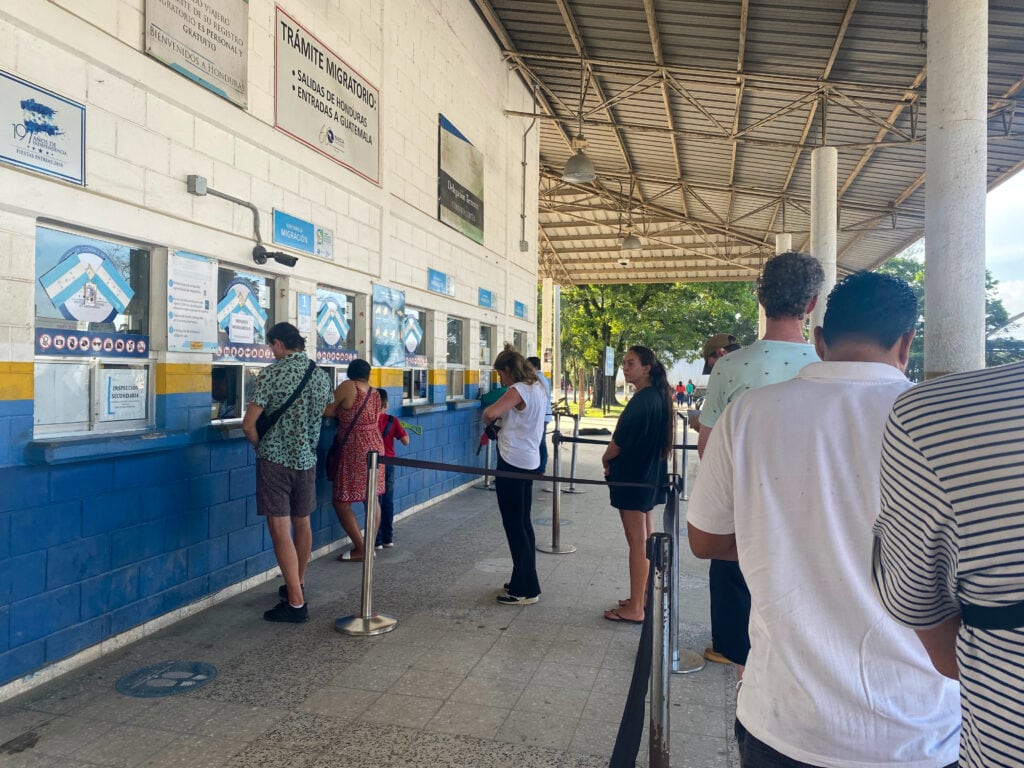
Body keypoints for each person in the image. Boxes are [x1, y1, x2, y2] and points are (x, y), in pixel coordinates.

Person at [688, 272, 960, 768]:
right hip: (916, 726)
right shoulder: (945, 425)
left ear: (818, 339)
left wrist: (775, 538)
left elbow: (705, 540)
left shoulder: (749, 414)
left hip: (784, 718)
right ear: (907, 342)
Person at [872, 361, 1024, 768]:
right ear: (906, 344)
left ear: (821, 340)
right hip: (926, 729)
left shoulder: (931, 415)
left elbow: (923, 615)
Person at [697, 251, 824, 669]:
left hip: (743, 511)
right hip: (813, 514)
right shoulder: (827, 365)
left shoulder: (730, 367)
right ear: (811, 304)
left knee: (738, 604)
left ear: (761, 298)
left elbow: (708, 449)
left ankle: (738, 666)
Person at [242, 322, 332, 623]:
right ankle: (298, 583)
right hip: (307, 460)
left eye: (271, 346)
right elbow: (322, 413)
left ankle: (295, 603)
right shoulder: (321, 376)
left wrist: (260, 447)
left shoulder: (271, 373)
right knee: (302, 522)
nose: (271, 351)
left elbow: (248, 424)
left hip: (275, 462)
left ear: (279, 343)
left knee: (280, 528)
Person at [601, 346, 672, 624]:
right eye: (624, 363)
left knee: (638, 543)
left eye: (631, 363)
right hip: (647, 476)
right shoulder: (657, 396)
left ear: (647, 368)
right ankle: (641, 596)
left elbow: (619, 440)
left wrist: (606, 458)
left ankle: (635, 609)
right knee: (645, 538)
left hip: (633, 476)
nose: (625, 368)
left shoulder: (644, 399)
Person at [482, 344, 546, 605]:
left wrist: (495, 418)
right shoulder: (537, 387)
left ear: (509, 370)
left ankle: (526, 589)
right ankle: (523, 577)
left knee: (514, 525)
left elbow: (490, 413)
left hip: (512, 461)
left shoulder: (517, 389)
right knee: (523, 523)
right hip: (529, 460)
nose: (500, 379)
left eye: (500, 374)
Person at [325, 358, 385, 562]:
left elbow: (327, 410)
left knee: (342, 501)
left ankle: (362, 549)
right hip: (376, 444)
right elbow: (375, 418)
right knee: (372, 497)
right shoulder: (375, 392)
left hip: (355, 447)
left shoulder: (348, 386)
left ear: (350, 372)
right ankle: (369, 545)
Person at [373, 388, 409, 550]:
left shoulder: (368, 421)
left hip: (373, 464)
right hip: (389, 464)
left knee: (375, 501)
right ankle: (388, 538)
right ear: (386, 405)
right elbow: (406, 441)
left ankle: (376, 540)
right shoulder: (392, 420)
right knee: (388, 500)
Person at [687, 333, 741, 434]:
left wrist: (698, 422)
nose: (713, 372)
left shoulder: (724, 376)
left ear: (721, 353)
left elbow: (713, 428)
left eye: (712, 366)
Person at [526, 356, 553, 473]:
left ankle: (540, 467)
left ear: (535, 367)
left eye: (528, 366)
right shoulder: (541, 378)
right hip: (543, 415)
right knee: (539, 441)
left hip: (543, 415)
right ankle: (539, 466)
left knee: (539, 441)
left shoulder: (537, 379)